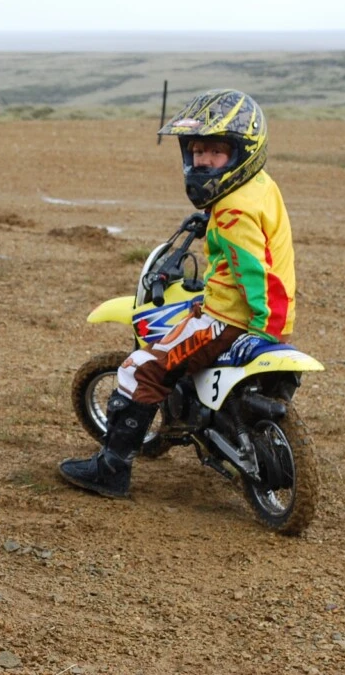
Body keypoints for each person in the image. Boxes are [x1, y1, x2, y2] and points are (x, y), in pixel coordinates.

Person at [58, 89, 295, 499]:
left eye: (216, 152)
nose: (203, 160)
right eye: (197, 150)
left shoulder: (234, 211)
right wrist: (210, 220)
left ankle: (111, 469)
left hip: (231, 318)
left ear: (242, 152)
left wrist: (263, 330)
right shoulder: (256, 188)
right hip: (258, 314)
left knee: (139, 368)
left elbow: (255, 272)